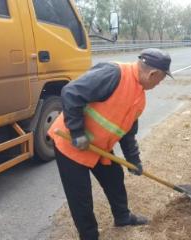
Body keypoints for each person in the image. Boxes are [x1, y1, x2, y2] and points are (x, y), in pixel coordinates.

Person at [48, 48, 172, 240]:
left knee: (114, 178)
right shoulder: (114, 73)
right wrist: (77, 132)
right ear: (152, 73)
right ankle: (89, 235)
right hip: (71, 144)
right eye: (161, 79)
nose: (160, 83)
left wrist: (134, 160)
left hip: (99, 149)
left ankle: (122, 217)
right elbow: (71, 92)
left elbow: (127, 132)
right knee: (80, 197)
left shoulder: (139, 96)